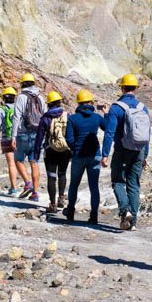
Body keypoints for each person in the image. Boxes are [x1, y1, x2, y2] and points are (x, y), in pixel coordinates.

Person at [101, 74, 151, 230]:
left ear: (122, 88)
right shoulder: (143, 108)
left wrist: (104, 154)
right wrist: (145, 155)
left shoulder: (117, 107)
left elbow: (109, 133)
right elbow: (147, 134)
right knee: (134, 185)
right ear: (135, 89)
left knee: (117, 181)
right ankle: (132, 222)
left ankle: (125, 210)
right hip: (139, 151)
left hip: (122, 151)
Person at [63, 89, 104, 225]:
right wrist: (106, 113)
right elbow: (108, 127)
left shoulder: (72, 119)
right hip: (95, 156)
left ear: (78, 103)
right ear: (91, 102)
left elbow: (69, 139)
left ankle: (70, 212)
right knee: (94, 186)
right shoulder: (97, 117)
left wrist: (76, 148)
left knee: (74, 185)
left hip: (79, 156)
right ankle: (94, 216)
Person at [34, 91, 70, 213]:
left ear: (49, 103)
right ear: (59, 102)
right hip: (65, 150)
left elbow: (39, 137)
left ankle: (53, 204)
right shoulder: (66, 115)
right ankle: (61, 198)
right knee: (62, 174)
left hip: (50, 150)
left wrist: (37, 153)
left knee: (51, 176)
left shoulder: (45, 118)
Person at [11, 73, 45, 201]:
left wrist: (13, 136)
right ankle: (35, 194)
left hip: (23, 134)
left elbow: (17, 116)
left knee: (18, 160)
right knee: (34, 162)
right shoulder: (41, 97)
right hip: (37, 134)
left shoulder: (21, 97)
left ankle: (27, 183)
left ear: (23, 84)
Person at [0, 86, 20, 195]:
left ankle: (13, 187)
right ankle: (28, 185)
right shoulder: (18, 108)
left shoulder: (2, 109)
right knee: (20, 162)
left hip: (7, 137)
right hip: (19, 137)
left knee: (11, 163)